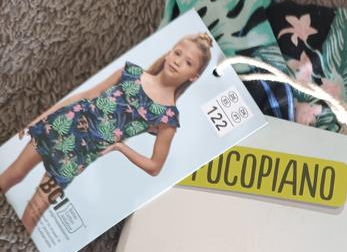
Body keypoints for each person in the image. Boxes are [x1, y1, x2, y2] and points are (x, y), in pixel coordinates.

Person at [0, 32, 213, 233]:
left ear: (194, 76)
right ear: (169, 53)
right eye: (177, 53)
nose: (178, 61)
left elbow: (155, 167)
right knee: (13, 175)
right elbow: (86, 95)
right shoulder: (130, 73)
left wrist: (120, 147)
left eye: (188, 62)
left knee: (32, 214)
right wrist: (39, 119)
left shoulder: (167, 117)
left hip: (77, 157)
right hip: (58, 126)